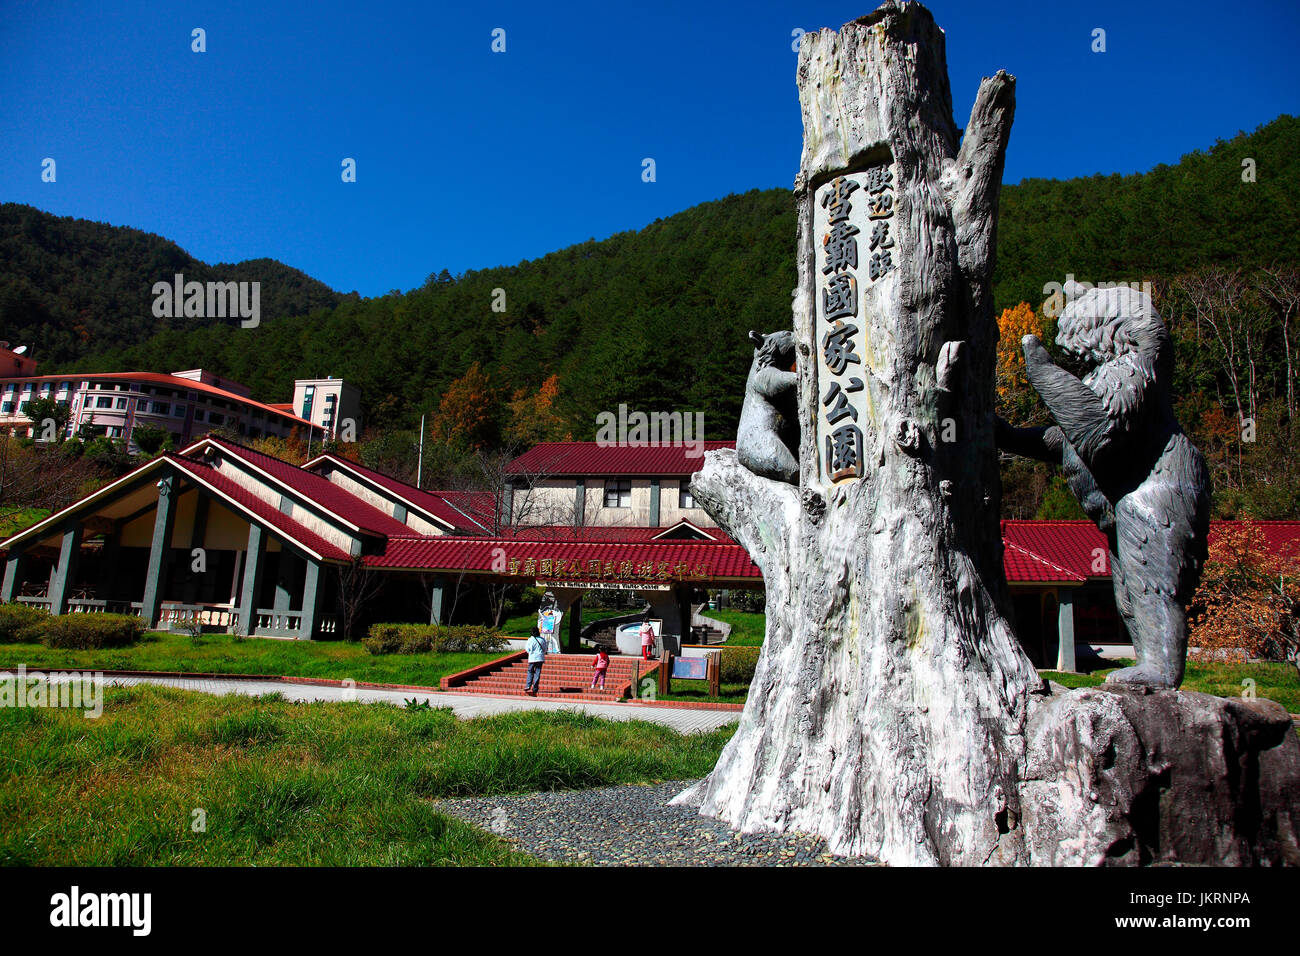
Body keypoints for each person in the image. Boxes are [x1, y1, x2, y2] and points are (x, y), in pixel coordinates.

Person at [524, 625, 547, 696]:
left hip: (532, 658)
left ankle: (528, 685)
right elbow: (545, 649)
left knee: (530, 671)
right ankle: (535, 687)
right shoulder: (542, 640)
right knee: (537, 672)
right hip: (540, 658)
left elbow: (527, 649)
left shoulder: (530, 640)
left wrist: (531, 652)